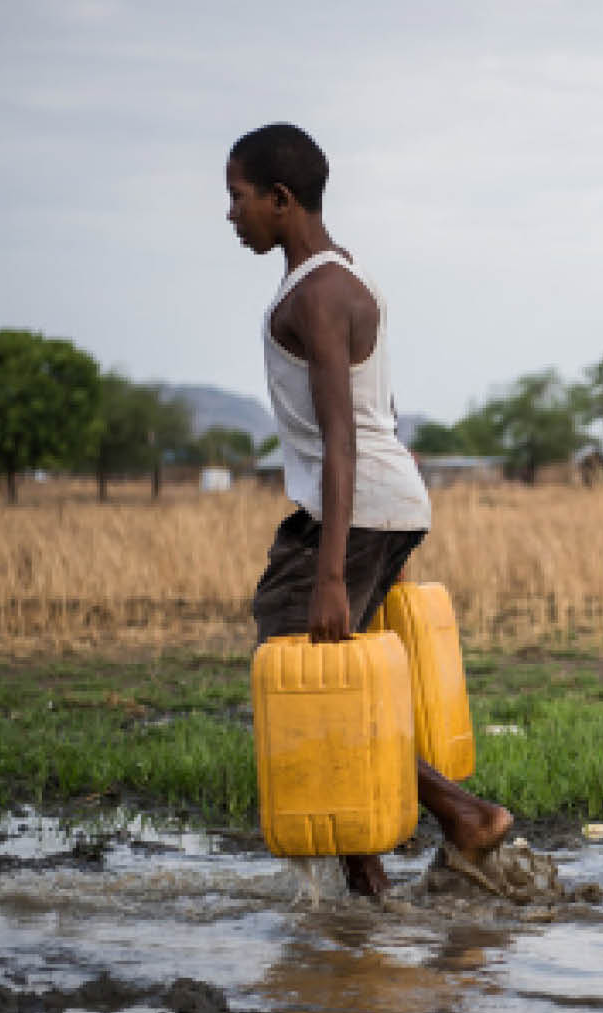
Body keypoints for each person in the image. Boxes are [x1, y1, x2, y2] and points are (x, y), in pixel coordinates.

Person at [227, 122, 512, 897]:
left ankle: (461, 816)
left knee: (305, 669)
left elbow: (343, 437)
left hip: (352, 509)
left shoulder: (318, 294)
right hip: (383, 505)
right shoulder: (349, 279)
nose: (232, 214)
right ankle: (367, 882)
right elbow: (383, 414)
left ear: (280, 200)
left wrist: (330, 573)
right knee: (323, 678)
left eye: (239, 197)